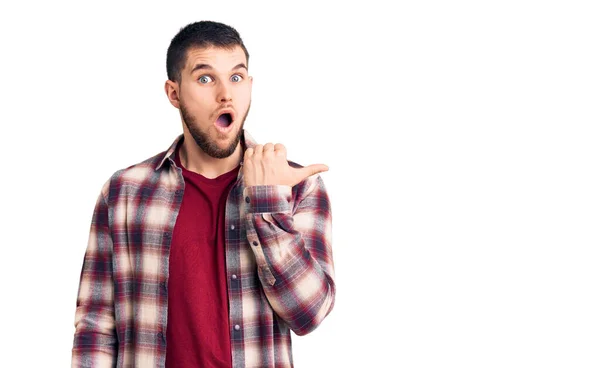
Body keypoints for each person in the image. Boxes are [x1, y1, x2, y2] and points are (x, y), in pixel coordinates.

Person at [71, 20, 335, 368]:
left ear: (250, 86)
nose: (226, 94)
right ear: (174, 93)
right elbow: (95, 327)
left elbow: (309, 314)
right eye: (205, 78)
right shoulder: (124, 193)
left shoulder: (296, 185)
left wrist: (267, 203)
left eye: (237, 77)